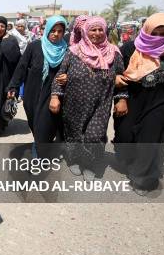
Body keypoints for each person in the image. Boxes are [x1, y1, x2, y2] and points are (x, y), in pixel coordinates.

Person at [113, 13, 164, 195]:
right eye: (156, 32)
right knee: (125, 134)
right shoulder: (130, 48)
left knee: (150, 139)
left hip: (159, 102)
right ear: (147, 30)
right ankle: (129, 162)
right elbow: (117, 74)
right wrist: (121, 98)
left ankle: (142, 178)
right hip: (132, 100)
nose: (160, 37)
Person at [50, 16, 127, 181]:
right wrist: (55, 96)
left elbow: (122, 80)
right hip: (74, 104)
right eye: (93, 29)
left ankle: (91, 164)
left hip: (101, 104)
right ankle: (74, 160)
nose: (97, 33)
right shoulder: (74, 51)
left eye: (100, 29)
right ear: (85, 32)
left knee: (95, 135)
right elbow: (60, 76)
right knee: (74, 134)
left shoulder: (113, 52)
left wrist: (121, 99)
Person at [7, 16, 69, 163]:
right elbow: (22, 67)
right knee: (35, 123)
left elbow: (74, 71)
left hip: (53, 94)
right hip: (32, 92)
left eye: (60, 31)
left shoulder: (67, 50)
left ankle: (40, 151)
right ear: (47, 30)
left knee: (45, 125)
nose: (56, 34)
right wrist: (14, 86)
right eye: (53, 30)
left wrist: (68, 76)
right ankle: (42, 143)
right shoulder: (35, 46)